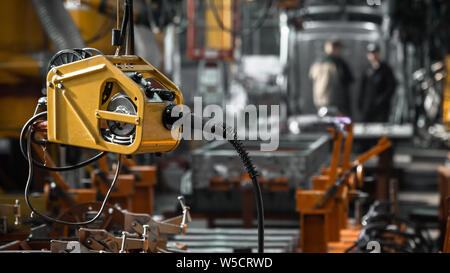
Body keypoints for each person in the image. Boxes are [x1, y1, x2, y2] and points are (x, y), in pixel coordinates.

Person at [309, 40, 354, 116]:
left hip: (320, 101)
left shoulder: (317, 62)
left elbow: (311, 77)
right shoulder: (339, 63)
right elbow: (348, 79)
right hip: (337, 101)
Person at [359, 43, 397, 122]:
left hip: (382, 107)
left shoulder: (386, 69)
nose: (373, 56)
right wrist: (360, 103)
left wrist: (382, 99)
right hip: (368, 107)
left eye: (375, 53)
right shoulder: (366, 70)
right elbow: (362, 88)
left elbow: (391, 86)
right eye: (371, 53)